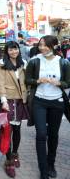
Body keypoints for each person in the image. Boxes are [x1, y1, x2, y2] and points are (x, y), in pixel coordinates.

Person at [25, 35, 70, 179]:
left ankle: (51, 164)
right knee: (41, 134)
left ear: (54, 46)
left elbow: (68, 82)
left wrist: (59, 83)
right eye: (40, 45)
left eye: (46, 45)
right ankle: (43, 170)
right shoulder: (34, 61)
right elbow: (27, 80)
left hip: (57, 102)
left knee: (53, 135)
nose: (42, 48)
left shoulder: (63, 62)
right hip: (39, 101)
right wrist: (38, 80)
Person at [0, 41, 29, 178]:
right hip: (8, 100)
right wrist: (3, 101)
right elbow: (0, 84)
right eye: (11, 50)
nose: (13, 52)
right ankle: (8, 160)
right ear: (7, 51)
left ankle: (15, 154)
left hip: (20, 100)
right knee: (6, 130)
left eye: (15, 49)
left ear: (19, 50)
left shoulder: (23, 63)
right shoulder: (2, 64)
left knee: (17, 129)